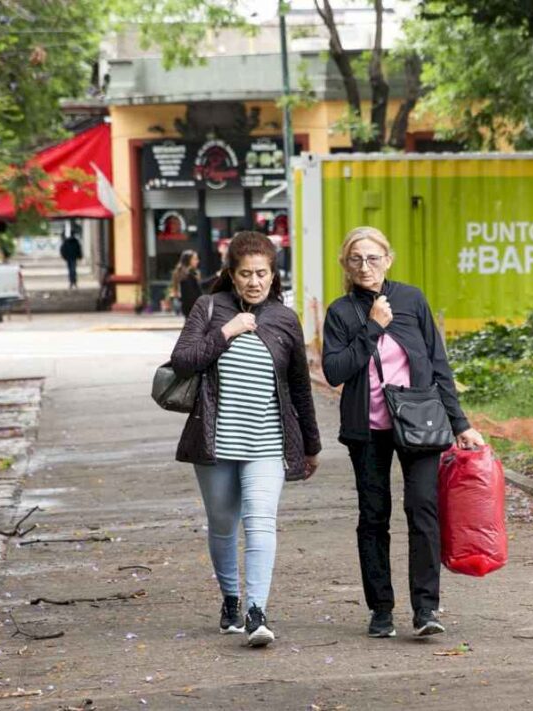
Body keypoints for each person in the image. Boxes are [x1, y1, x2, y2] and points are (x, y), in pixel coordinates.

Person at [322, 226, 485, 639]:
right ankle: (380, 609)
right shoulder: (341, 312)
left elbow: (437, 362)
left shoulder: (411, 299)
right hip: (368, 428)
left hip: (420, 422)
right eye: (356, 259)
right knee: (373, 517)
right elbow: (335, 370)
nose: (365, 266)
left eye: (373, 258)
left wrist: (460, 423)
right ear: (345, 264)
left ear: (388, 260)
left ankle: (426, 608)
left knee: (423, 509)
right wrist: (373, 327)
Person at [170, 231, 321, 648]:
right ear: (231, 276)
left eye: (262, 274)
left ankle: (257, 611)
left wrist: (311, 445)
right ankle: (231, 599)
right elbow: (182, 362)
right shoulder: (209, 308)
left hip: (267, 441)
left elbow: (300, 388)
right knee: (223, 525)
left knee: (261, 522)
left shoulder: (285, 320)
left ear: (274, 275)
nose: (255, 282)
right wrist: (227, 332)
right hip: (216, 441)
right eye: (245, 274)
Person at [170, 249, 203, 317]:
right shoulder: (187, 275)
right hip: (192, 308)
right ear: (189, 260)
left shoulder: (185, 273)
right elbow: (191, 295)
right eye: (195, 259)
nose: (197, 261)